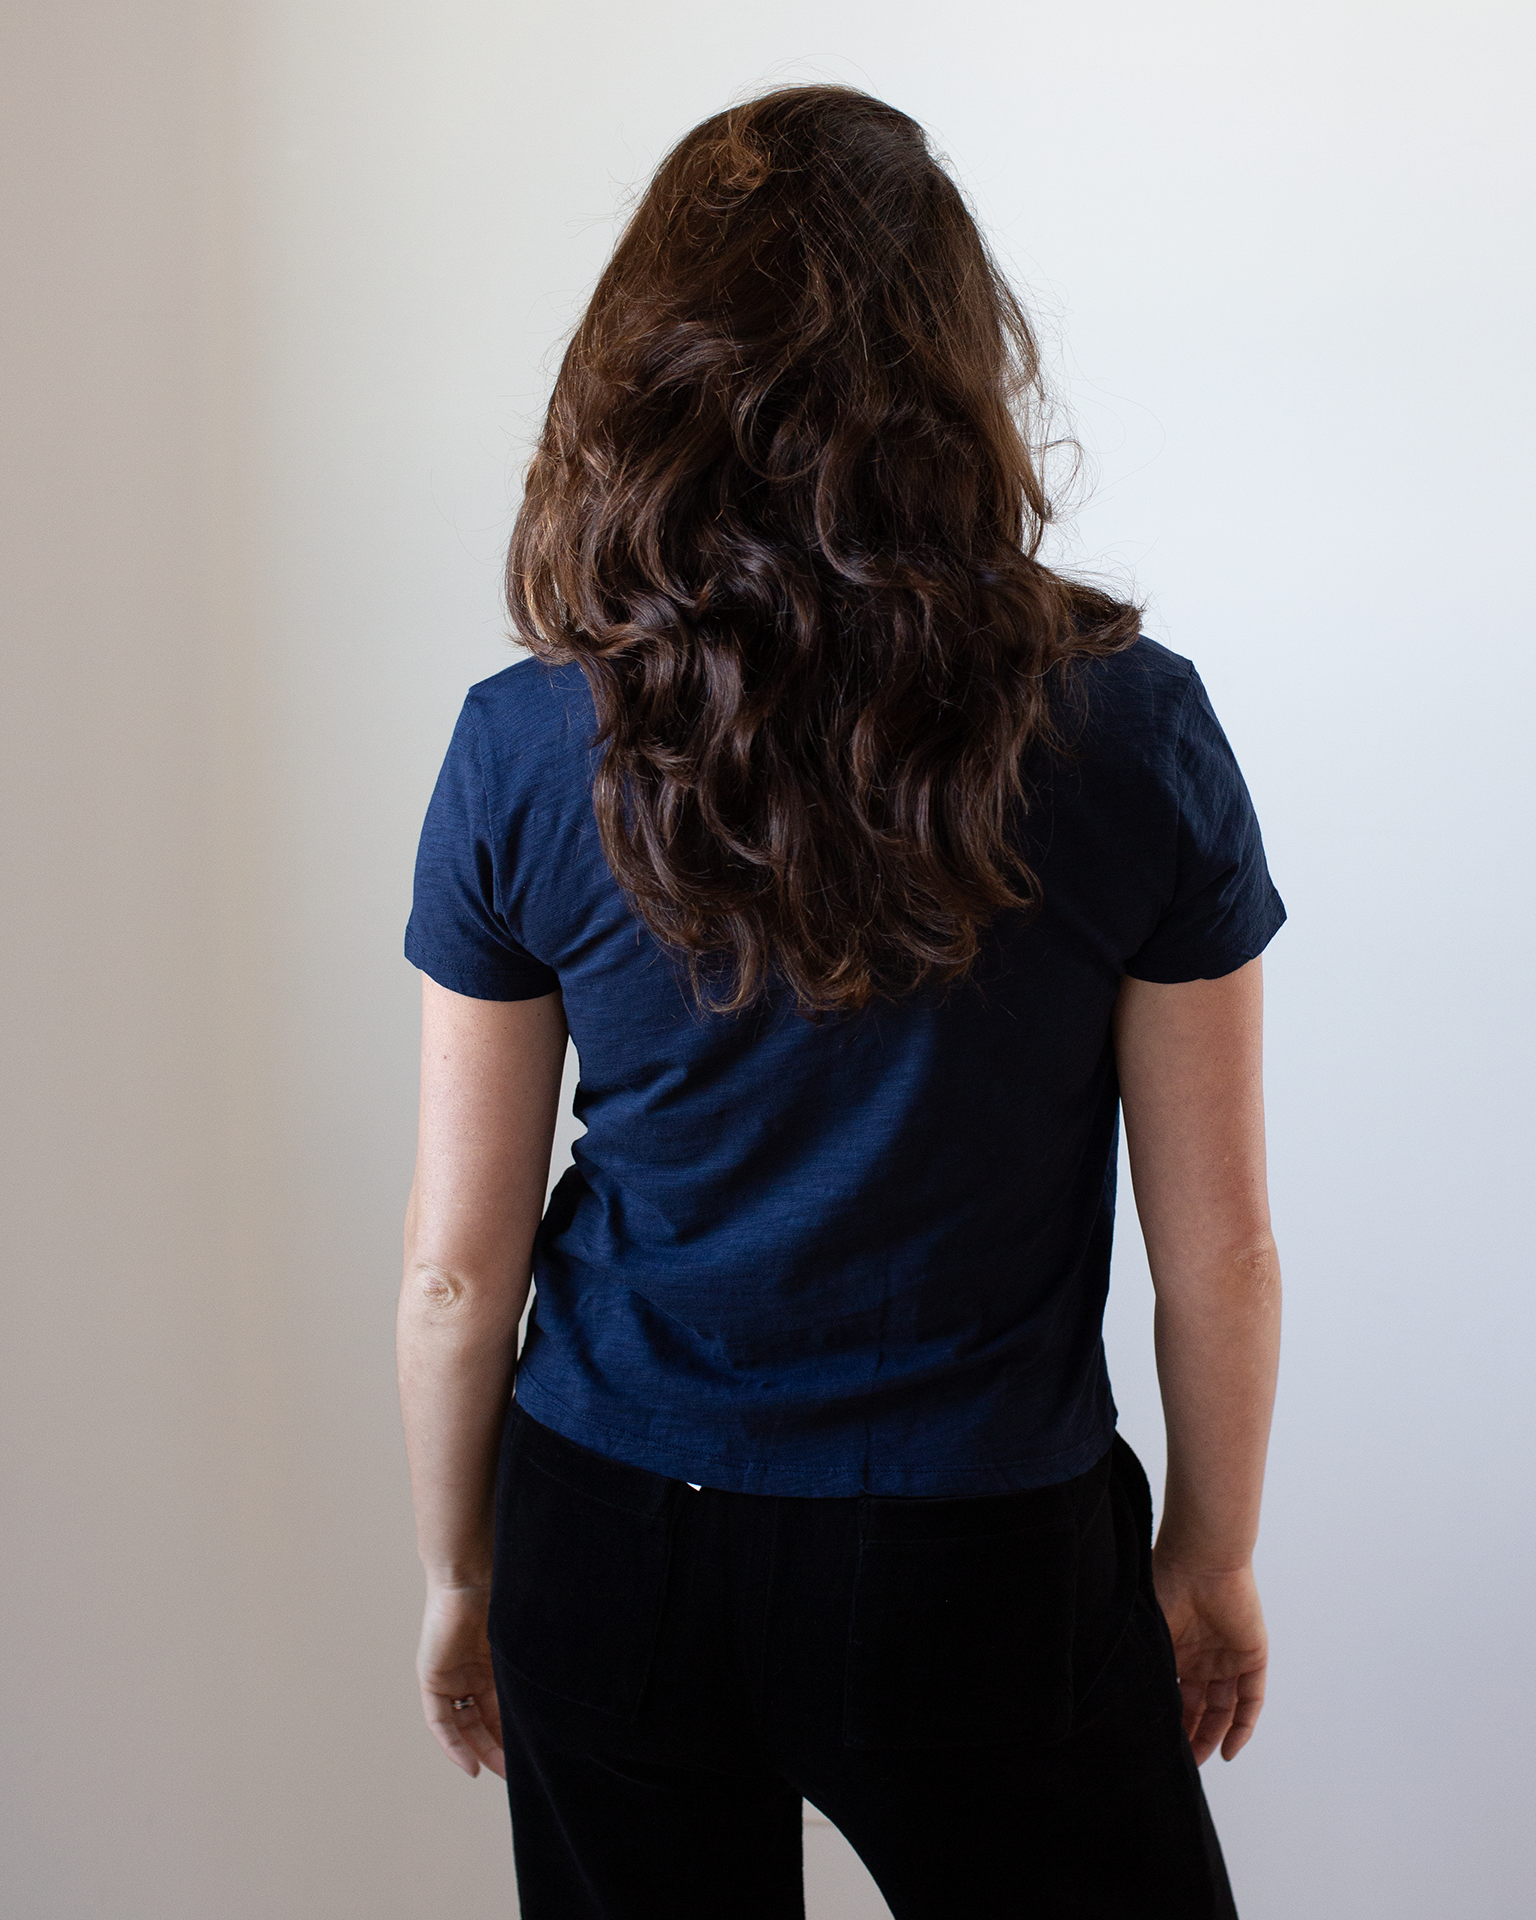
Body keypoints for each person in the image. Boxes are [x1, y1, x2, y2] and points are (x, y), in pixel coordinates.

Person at [397, 85, 1284, 1920]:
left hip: (613, 1534)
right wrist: (1210, 1555)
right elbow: (1222, 1252)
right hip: (978, 1552)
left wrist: (461, 1572)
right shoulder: (1128, 728)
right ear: (957, 370)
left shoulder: (523, 740)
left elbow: (454, 1270)